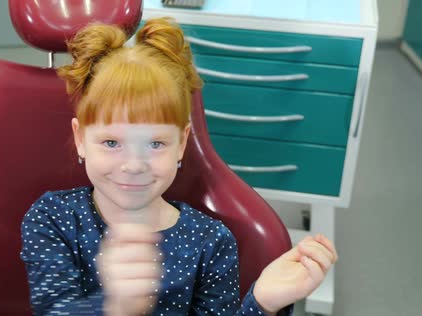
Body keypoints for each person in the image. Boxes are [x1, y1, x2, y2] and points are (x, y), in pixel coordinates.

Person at [20, 17, 338, 316]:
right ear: (80, 139)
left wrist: (262, 303)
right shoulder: (53, 219)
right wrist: (115, 305)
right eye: (112, 143)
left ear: (182, 143)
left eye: (155, 144)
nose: (133, 165)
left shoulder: (209, 242)